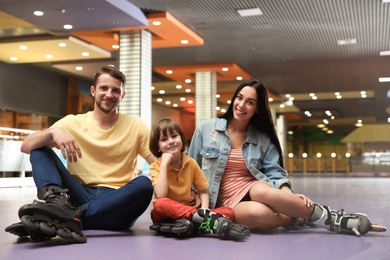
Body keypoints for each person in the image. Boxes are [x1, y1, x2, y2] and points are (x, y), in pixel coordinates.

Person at [187, 79, 386, 237]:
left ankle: (331, 218)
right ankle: (297, 217)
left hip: (251, 187)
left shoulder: (262, 138)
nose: (242, 105)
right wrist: (193, 194)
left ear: (257, 108)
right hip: (217, 199)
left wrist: (286, 194)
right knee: (260, 215)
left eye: (250, 102)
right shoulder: (208, 128)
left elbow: (274, 172)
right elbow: (191, 165)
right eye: (239, 98)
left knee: (264, 192)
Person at [4, 65, 155, 243]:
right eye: (104, 88)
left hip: (116, 204)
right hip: (79, 194)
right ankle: (57, 203)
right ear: (93, 91)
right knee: (40, 149)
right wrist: (52, 133)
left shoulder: (136, 125)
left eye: (115, 90)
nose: (109, 94)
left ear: (122, 95)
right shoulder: (72, 122)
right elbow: (26, 146)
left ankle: (63, 217)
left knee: (145, 183)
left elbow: (157, 165)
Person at [148, 117, 249, 240]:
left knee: (229, 211)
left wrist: (205, 210)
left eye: (174, 136)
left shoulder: (191, 163)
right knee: (160, 203)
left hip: (191, 212)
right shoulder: (156, 166)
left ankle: (195, 223)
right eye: (164, 139)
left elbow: (203, 192)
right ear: (158, 147)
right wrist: (164, 165)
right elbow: (161, 195)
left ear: (181, 138)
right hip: (165, 214)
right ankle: (205, 222)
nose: (171, 141)